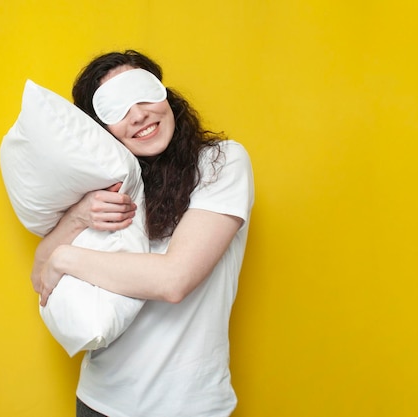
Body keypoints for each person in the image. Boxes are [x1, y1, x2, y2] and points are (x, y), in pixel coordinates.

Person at [31, 50, 254, 417]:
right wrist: (78, 216)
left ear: (165, 94)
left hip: (187, 408)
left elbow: (174, 280)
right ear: (100, 130)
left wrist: (65, 257)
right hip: (97, 401)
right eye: (115, 109)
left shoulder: (221, 163)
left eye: (142, 94)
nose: (138, 115)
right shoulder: (103, 186)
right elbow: (40, 277)